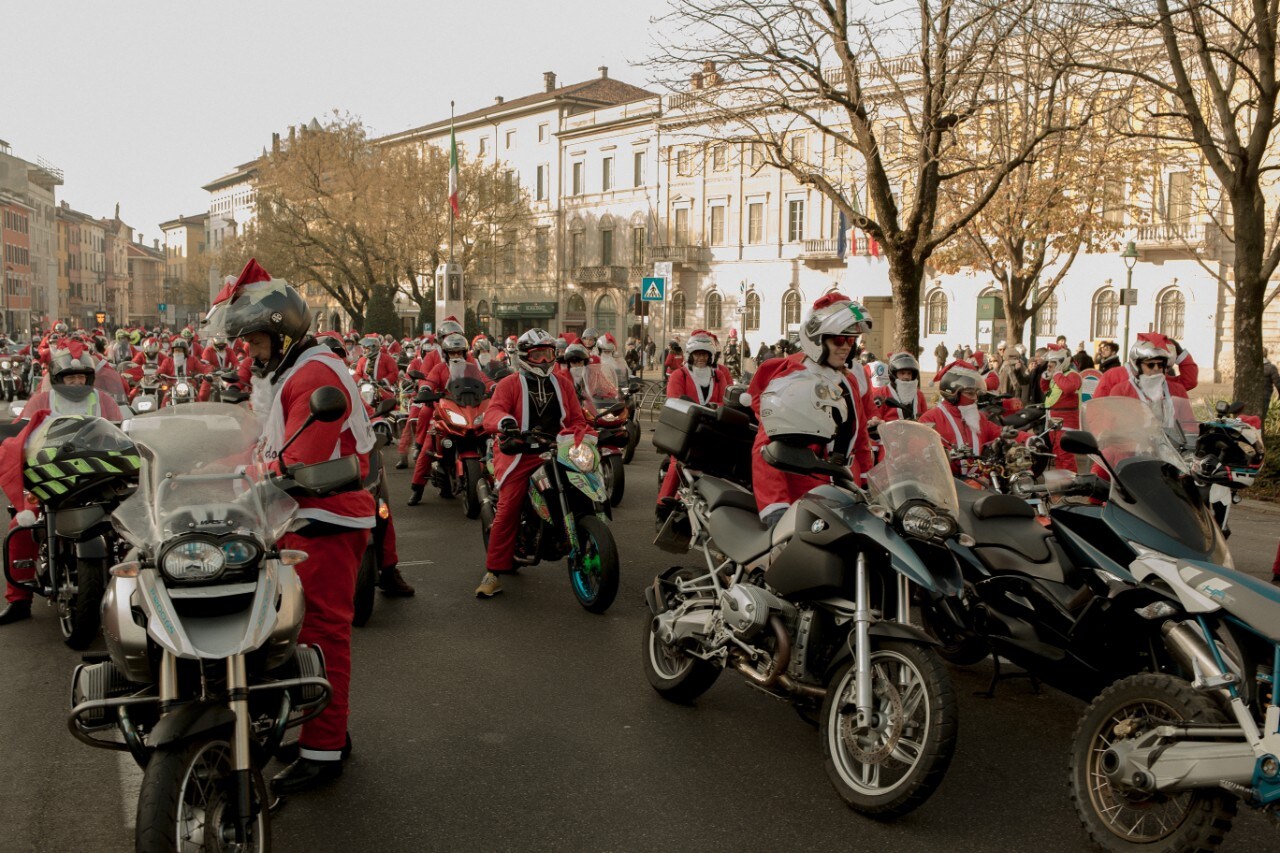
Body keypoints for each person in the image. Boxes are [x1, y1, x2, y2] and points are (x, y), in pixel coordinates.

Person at [205, 259, 373, 793]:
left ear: (279, 334)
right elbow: (266, 449)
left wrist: (235, 478)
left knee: (321, 633)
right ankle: (319, 729)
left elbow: (296, 462)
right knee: (294, 631)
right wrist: (195, 469)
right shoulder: (293, 373)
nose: (248, 352)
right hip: (300, 515)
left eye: (254, 339)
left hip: (324, 517)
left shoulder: (316, 375)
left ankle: (323, 750)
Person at [1, 342, 125, 624]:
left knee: (131, 522)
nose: (77, 382)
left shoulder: (103, 400)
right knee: (20, 527)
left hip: (97, 475)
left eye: (81, 377)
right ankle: (19, 600)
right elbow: (23, 434)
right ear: (58, 378)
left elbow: (122, 430)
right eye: (71, 377)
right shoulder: (41, 401)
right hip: (51, 474)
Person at [476, 329, 590, 598]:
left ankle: (579, 534)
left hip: (557, 450)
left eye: (547, 354)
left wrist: (586, 434)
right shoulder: (510, 383)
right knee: (509, 505)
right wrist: (506, 423)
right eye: (536, 355)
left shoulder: (562, 383)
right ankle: (493, 572)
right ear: (525, 356)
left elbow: (576, 419)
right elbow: (494, 411)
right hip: (519, 453)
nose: (542, 360)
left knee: (585, 484)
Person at [746, 294, 873, 523]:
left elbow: (860, 437)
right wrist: (776, 509)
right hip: (805, 502)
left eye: (851, 341)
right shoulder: (795, 381)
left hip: (847, 494)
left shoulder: (848, 381)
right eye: (838, 340)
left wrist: (868, 483)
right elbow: (766, 449)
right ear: (817, 339)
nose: (845, 347)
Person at [655, 331, 734, 511]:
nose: (701, 358)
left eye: (705, 354)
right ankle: (662, 506)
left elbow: (726, 399)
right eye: (697, 354)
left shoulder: (719, 375)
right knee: (678, 463)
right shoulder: (679, 375)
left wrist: (717, 406)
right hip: (685, 429)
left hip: (712, 430)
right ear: (690, 355)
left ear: (711, 356)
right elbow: (674, 400)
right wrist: (694, 408)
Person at [920, 362, 1012, 474]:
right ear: (953, 394)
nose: (975, 398)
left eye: (976, 393)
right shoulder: (930, 419)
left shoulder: (979, 417)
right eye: (970, 393)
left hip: (980, 482)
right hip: (949, 484)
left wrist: (1030, 439)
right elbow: (918, 451)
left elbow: (997, 432)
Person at [1093, 333, 1199, 425]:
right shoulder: (1114, 378)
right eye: (1150, 364)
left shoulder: (1162, 379)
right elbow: (1098, 408)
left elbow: (1188, 381)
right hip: (1129, 441)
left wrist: (1179, 352)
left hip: (1167, 441)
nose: (1156, 368)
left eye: (1161, 364)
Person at [1039, 343, 1082, 471]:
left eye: (1052, 363)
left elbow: (1068, 388)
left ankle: (1071, 484)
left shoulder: (1072, 375)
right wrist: (1045, 379)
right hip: (1054, 420)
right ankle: (1061, 483)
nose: (1049, 366)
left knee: (1065, 455)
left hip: (1066, 421)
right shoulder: (1058, 376)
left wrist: (1057, 375)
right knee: (1057, 455)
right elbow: (1047, 392)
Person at [869, 352, 928, 423]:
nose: (906, 377)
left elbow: (925, 418)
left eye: (909, 373)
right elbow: (875, 417)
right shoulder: (881, 394)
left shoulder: (919, 395)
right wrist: (876, 420)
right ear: (894, 374)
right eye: (902, 373)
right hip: (889, 433)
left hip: (915, 433)